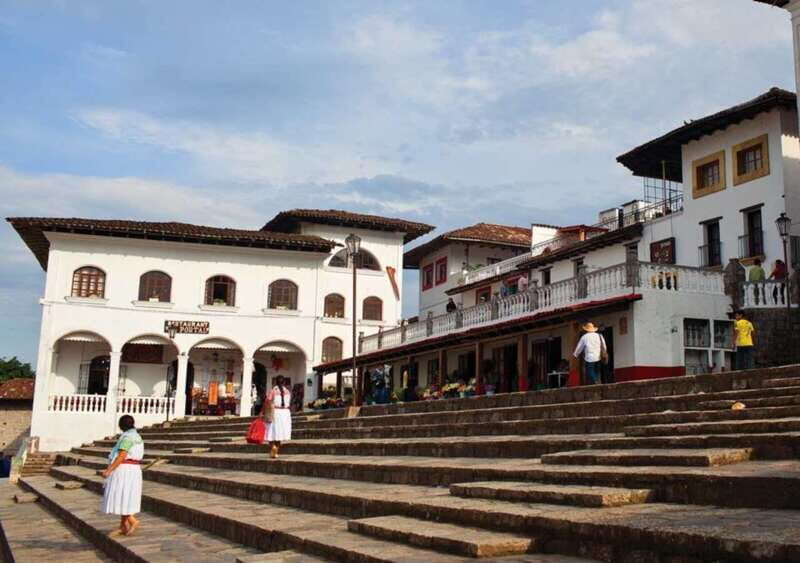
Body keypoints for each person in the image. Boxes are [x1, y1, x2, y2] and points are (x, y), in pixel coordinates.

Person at [101, 415, 144, 536]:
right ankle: (123, 525)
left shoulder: (127, 438)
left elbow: (121, 456)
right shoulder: (136, 436)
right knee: (125, 496)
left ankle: (132, 520)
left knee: (120, 494)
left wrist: (109, 470)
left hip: (125, 469)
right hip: (133, 469)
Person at [265, 376, 292, 459]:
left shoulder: (273, 391)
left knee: (270, 432)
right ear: (284, 382)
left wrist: (262, 412)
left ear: (275, 382)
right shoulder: (287, 391)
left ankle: (273, 447)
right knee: (280, 433)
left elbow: (267, 402)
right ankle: (275, 451)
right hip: (285, 413)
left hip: (276, 412)